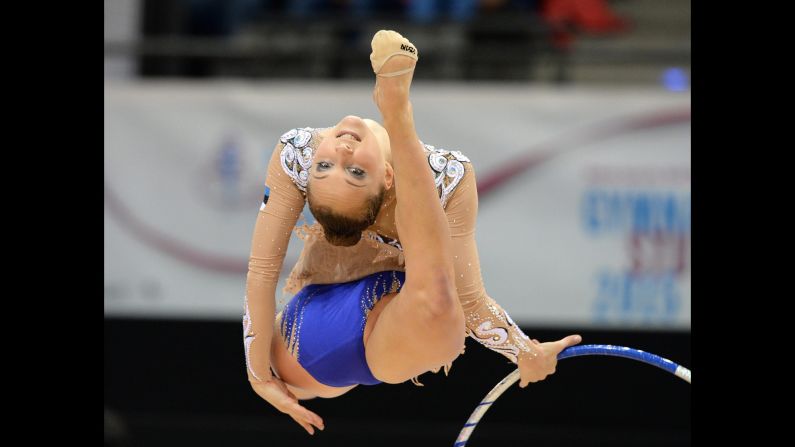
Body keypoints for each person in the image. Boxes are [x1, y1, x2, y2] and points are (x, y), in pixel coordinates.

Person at [242, 30, 582, 435]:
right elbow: (262, 273)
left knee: (439, 296)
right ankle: (398, 114)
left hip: (397, 315)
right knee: (438, 295)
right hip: (318, 332)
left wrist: (522, 350)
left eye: (329, 167)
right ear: (386, 176)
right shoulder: (444, 174)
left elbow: (468, 302)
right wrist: (258, 375)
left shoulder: (302, 151)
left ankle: (398, 112)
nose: (341, 154)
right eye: (348, 172)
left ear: (387, 177)